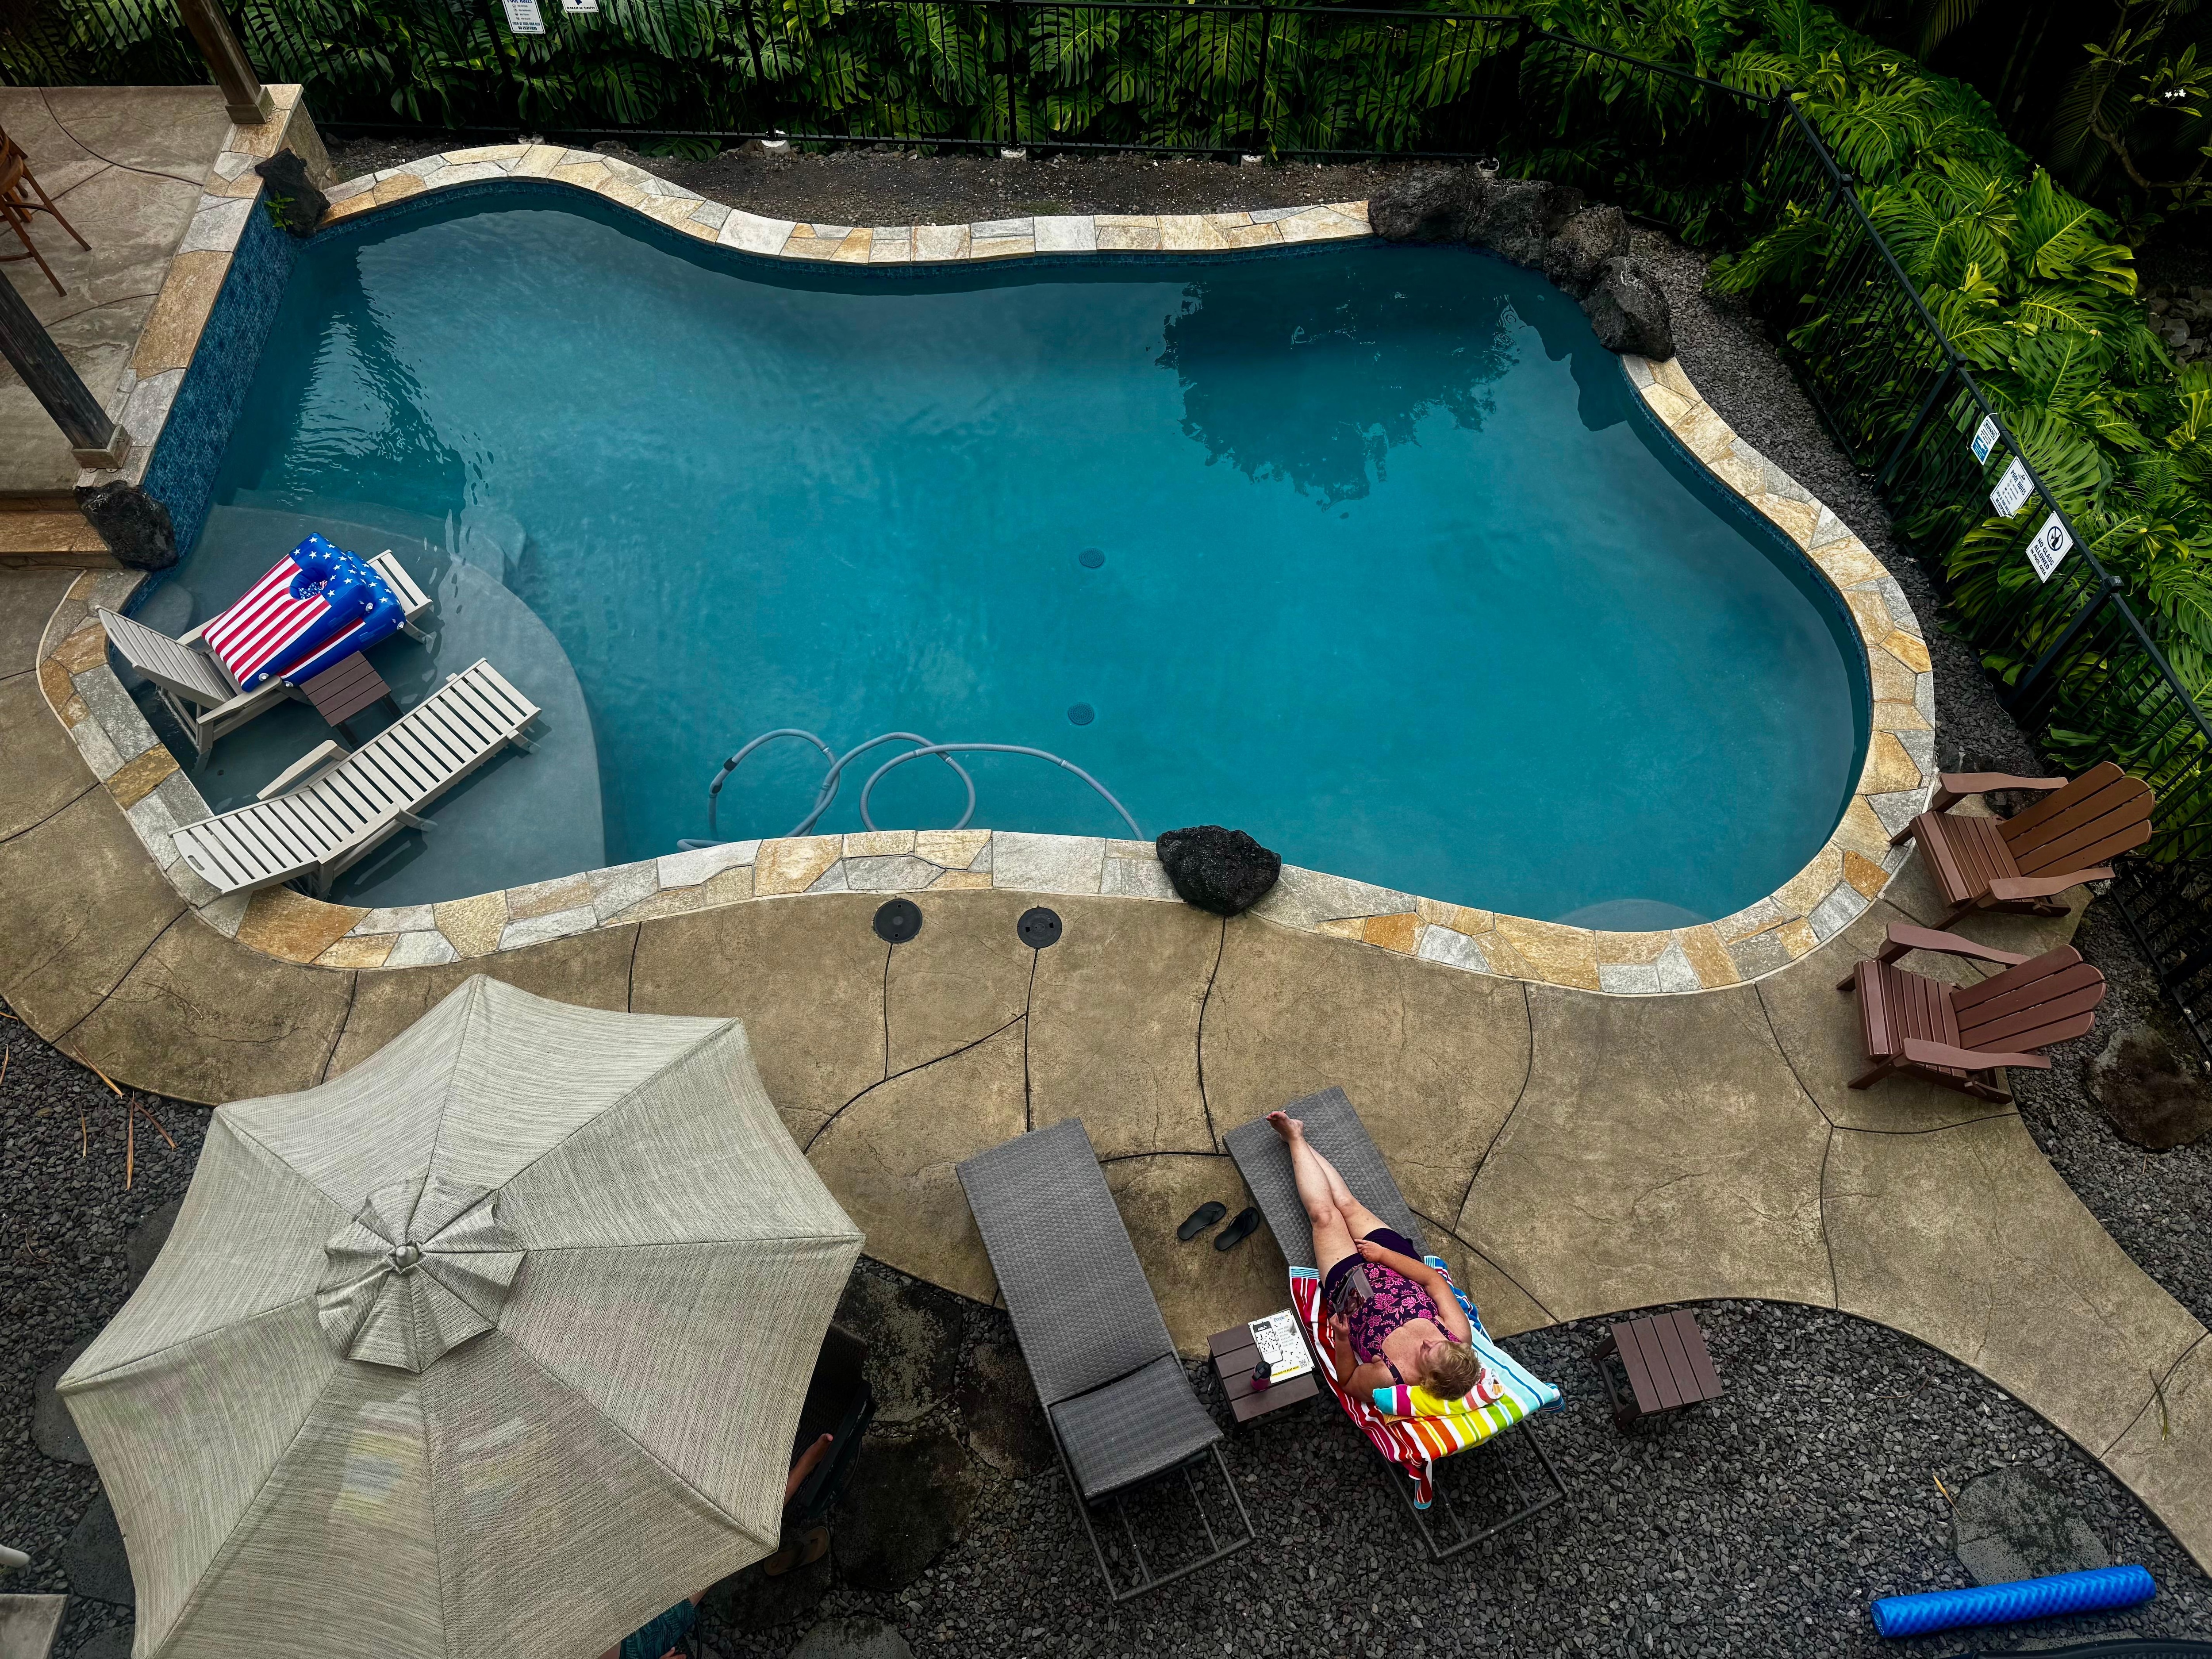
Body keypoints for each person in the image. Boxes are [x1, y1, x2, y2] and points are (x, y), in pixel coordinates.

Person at [1268, 1110, 1485, 1402]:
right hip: (1394, 1262)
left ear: (1426, 1381)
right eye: (1437, 1343)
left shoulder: (1389, 1377)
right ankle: (1297, 1136)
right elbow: (1433, 1280)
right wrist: (1383, 1255)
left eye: (1426, 1352)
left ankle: (1295, 1137)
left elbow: (1348, 1381)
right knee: (1347, 1205)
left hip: (1350, 1287)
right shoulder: (1459, 1335)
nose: (1428, 1341)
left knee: (1325, 1216)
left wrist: (1342, 1338)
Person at [601, 1432, 835, 1659]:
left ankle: (755, 1451)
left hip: (601, 1591)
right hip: (632, 1647)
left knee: (665, 1521)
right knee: (729, 1550)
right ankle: (802, 1467)